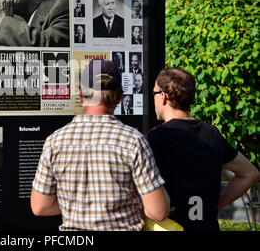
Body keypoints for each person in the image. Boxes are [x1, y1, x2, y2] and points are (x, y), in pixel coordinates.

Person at [31, 59, 169, 230]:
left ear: (80, 95)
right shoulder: (133, 141)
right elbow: (158, 211)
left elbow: (40, 206)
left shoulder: (55, 141)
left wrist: (78, 206)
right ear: (119, 97)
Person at [147, 68, 260, 231]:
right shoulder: (212, 134)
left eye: (154, 93)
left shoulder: (157, 137)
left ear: (163, 96)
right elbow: (250, 173)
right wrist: (215, 203)